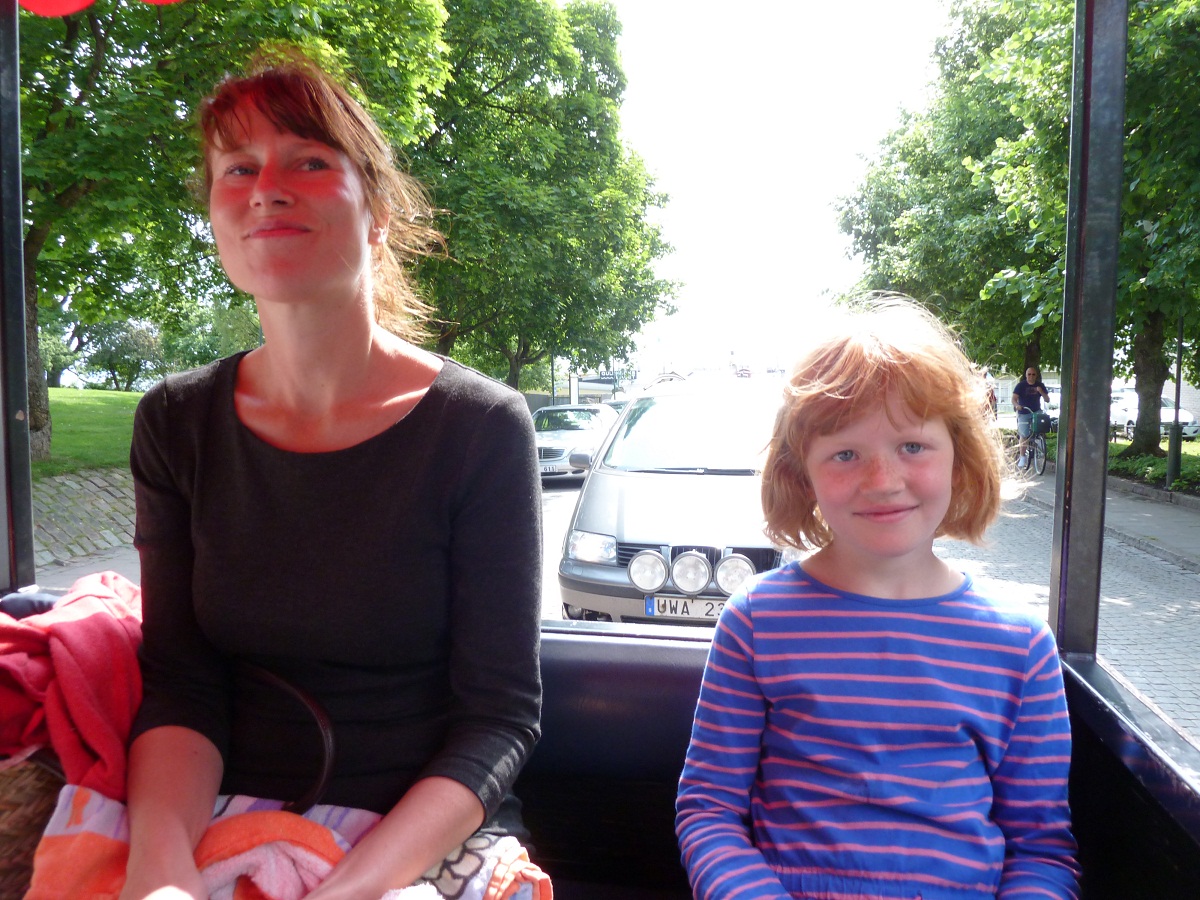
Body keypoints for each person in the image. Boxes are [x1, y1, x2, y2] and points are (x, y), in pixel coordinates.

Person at [121, 50, 543, 900]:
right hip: (217, 818)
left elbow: (498, 719)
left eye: (308, 162)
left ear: (377, 214)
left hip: (415, 845)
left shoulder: (481, 428)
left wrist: (349, 890)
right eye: (238, 169)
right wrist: (159, 878)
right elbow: (182, 686)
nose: (266, 190)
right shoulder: (174, 422)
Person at [675, 297, 1080, 899]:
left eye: (912, 446)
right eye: (845, 454)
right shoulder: (758, 622)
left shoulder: (1018, 645)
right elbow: (709, 811)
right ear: (801, 475)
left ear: (960, 459)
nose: (883, 481)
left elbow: (1040, 849)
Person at [1012, 365, 1050, 469]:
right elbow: (1014, 399)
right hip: (1024, 412)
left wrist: (1041, 392)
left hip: (1036, 412)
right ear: (1026, 375)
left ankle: (1039, 442)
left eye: (1033, 374)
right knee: (1024, 435)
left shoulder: (1040, 385)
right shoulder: (1021, 385)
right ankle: (1022, 457)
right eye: (1029, 374)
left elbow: (1047, 400)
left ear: (1036, 375)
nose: (1031, 376)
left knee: (1041, 427)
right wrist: (1017, 405)